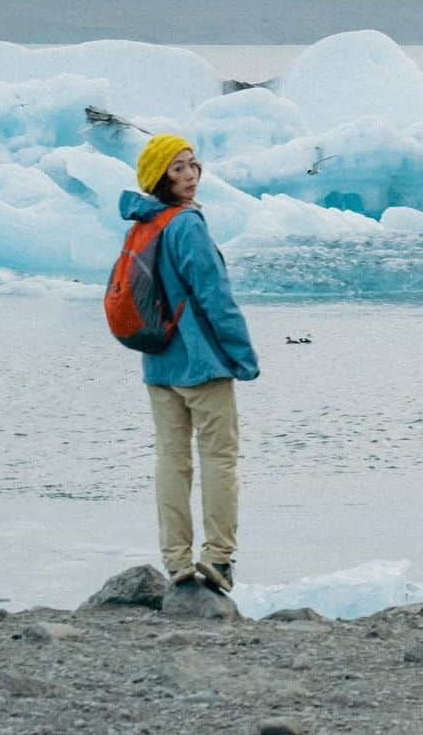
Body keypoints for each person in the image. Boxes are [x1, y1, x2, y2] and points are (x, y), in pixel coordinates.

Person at [118, 133, 259, 593]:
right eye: (177, 168)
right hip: (201, 364)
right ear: (159, 176)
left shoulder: (143, 224)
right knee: (219, 459)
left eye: (193, 165)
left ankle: (175, 559)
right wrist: (242, 355)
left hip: (158, 363)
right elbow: (214, 296)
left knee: (171, 461)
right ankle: (217, 557)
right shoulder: (186, 225)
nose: (190, 176)